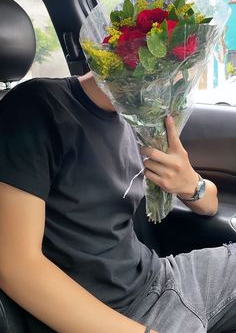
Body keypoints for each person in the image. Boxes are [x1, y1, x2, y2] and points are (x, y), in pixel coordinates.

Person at [0, 71, 235, 333]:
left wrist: (191, 184)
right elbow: (16, 266)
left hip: (163, 277)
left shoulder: (142, 117)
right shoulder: (36, 107)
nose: (179, 74)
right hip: (116, 317)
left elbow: (210, 204)